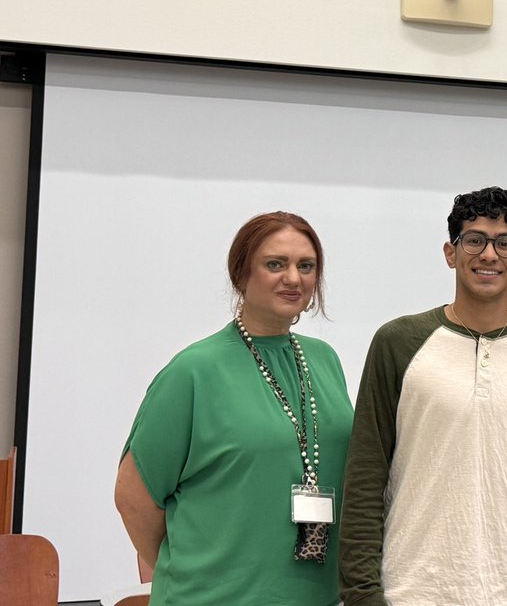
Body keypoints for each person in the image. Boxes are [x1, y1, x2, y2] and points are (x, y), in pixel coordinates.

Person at [339, 186, 507, 606]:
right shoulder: (397, 342)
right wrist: (364, 596)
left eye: (505, 244)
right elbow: (364, 478)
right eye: (475, 240)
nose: (489, 254)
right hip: (410, 593)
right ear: (451, 253)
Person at [115, 211, 354, 605]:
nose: (293, 278)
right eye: (275, 264)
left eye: (306, 266)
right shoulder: (194, 370)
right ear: (241, 274)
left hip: (315, 597)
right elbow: (133, 497)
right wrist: (193, 568)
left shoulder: (325, 360)